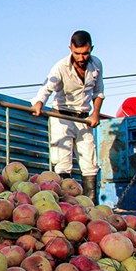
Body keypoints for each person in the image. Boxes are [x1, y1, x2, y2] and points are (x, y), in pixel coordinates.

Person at [31, 30, 104, 203]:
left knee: (90, 163)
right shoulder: (60, 67)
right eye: (77, 53)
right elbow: (46, 87)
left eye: (85, 53)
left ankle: (91, 206)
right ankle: (64, 204)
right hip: (61, 117)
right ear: (70, 48)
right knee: (62, 161)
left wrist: (95, 113)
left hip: (84, 118)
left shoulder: (97, 65)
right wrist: (39, 103)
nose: (81, 57)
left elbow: (99, 92)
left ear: (91, 49)